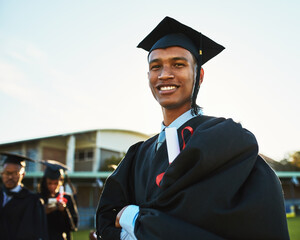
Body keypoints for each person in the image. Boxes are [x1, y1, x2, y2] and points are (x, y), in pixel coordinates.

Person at [96, 16, 290, 240]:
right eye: (155, 66)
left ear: (199, 76)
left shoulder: (226, 141)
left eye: (178, 64)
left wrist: (133, 218)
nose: (164, 74)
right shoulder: (138, 155)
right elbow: (107, 220)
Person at [0, 152, 48, 240]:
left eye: (15, 173)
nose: (10, 177)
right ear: (2, 173)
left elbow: (35, 233)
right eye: (7, 173)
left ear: (23, 175)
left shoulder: (33, 201)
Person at [38, 160, 79, 240]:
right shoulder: (38, 198)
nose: (53, 186)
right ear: (44, 182)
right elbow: (30, 225)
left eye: (56, 183)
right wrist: (42, 212)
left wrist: (64, 211)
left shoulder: (67, 198)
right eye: (49, 183)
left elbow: (74, 227)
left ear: (61, 181)